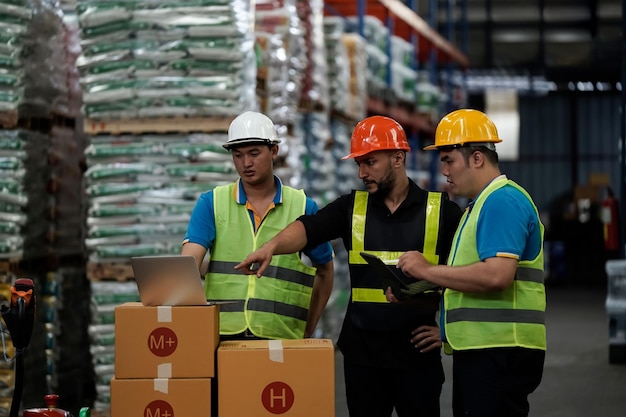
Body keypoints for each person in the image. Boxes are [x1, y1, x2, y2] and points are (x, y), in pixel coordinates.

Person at [236, 115, 462, 417]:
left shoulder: (441, 212)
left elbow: (466, 277)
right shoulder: (351, 207)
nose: (361, 173)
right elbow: (309, 228)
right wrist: (271, 247)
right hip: (363, 358)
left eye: (370, 162)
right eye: (358, 164)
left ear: (398, 158)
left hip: (417, 357)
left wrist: (447, 330)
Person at [393, 108, 546, 417]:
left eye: (449, 160)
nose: (444, 170)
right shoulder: (478, 207)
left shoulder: (502, 201)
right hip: (485, 351)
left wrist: (426, 270)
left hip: (500, 352)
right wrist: (423, 296)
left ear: (476, 158)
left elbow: (496, 276)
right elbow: (469, 279)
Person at [181, 110, 334, 340]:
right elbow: (188, 264)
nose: (246, 163)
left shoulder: (302, 206)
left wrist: (308, 329)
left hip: (281, 336)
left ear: (274, 151)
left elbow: (325, 269)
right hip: (222, 335)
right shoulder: (212, 203)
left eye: (254, 153)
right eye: (238, 155)